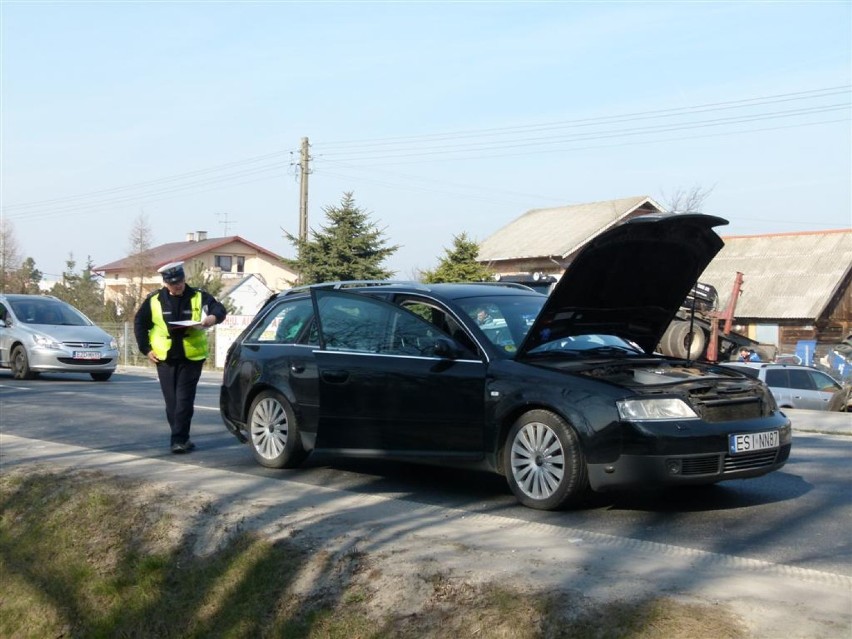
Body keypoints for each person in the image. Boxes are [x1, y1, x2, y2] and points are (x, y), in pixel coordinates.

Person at [134, 261, 227, 454]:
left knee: (184, 399)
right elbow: (140, 323)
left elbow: (219, 309)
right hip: (164, 357)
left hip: (191, 356)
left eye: (181, 281)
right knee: (172, 402)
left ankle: (178, 439)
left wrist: (212, 319)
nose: (178, 286)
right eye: (173, 283)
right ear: (165, 283)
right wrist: (146, 349)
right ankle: (180, 437)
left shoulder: (198, 296)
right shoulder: (154, 300)